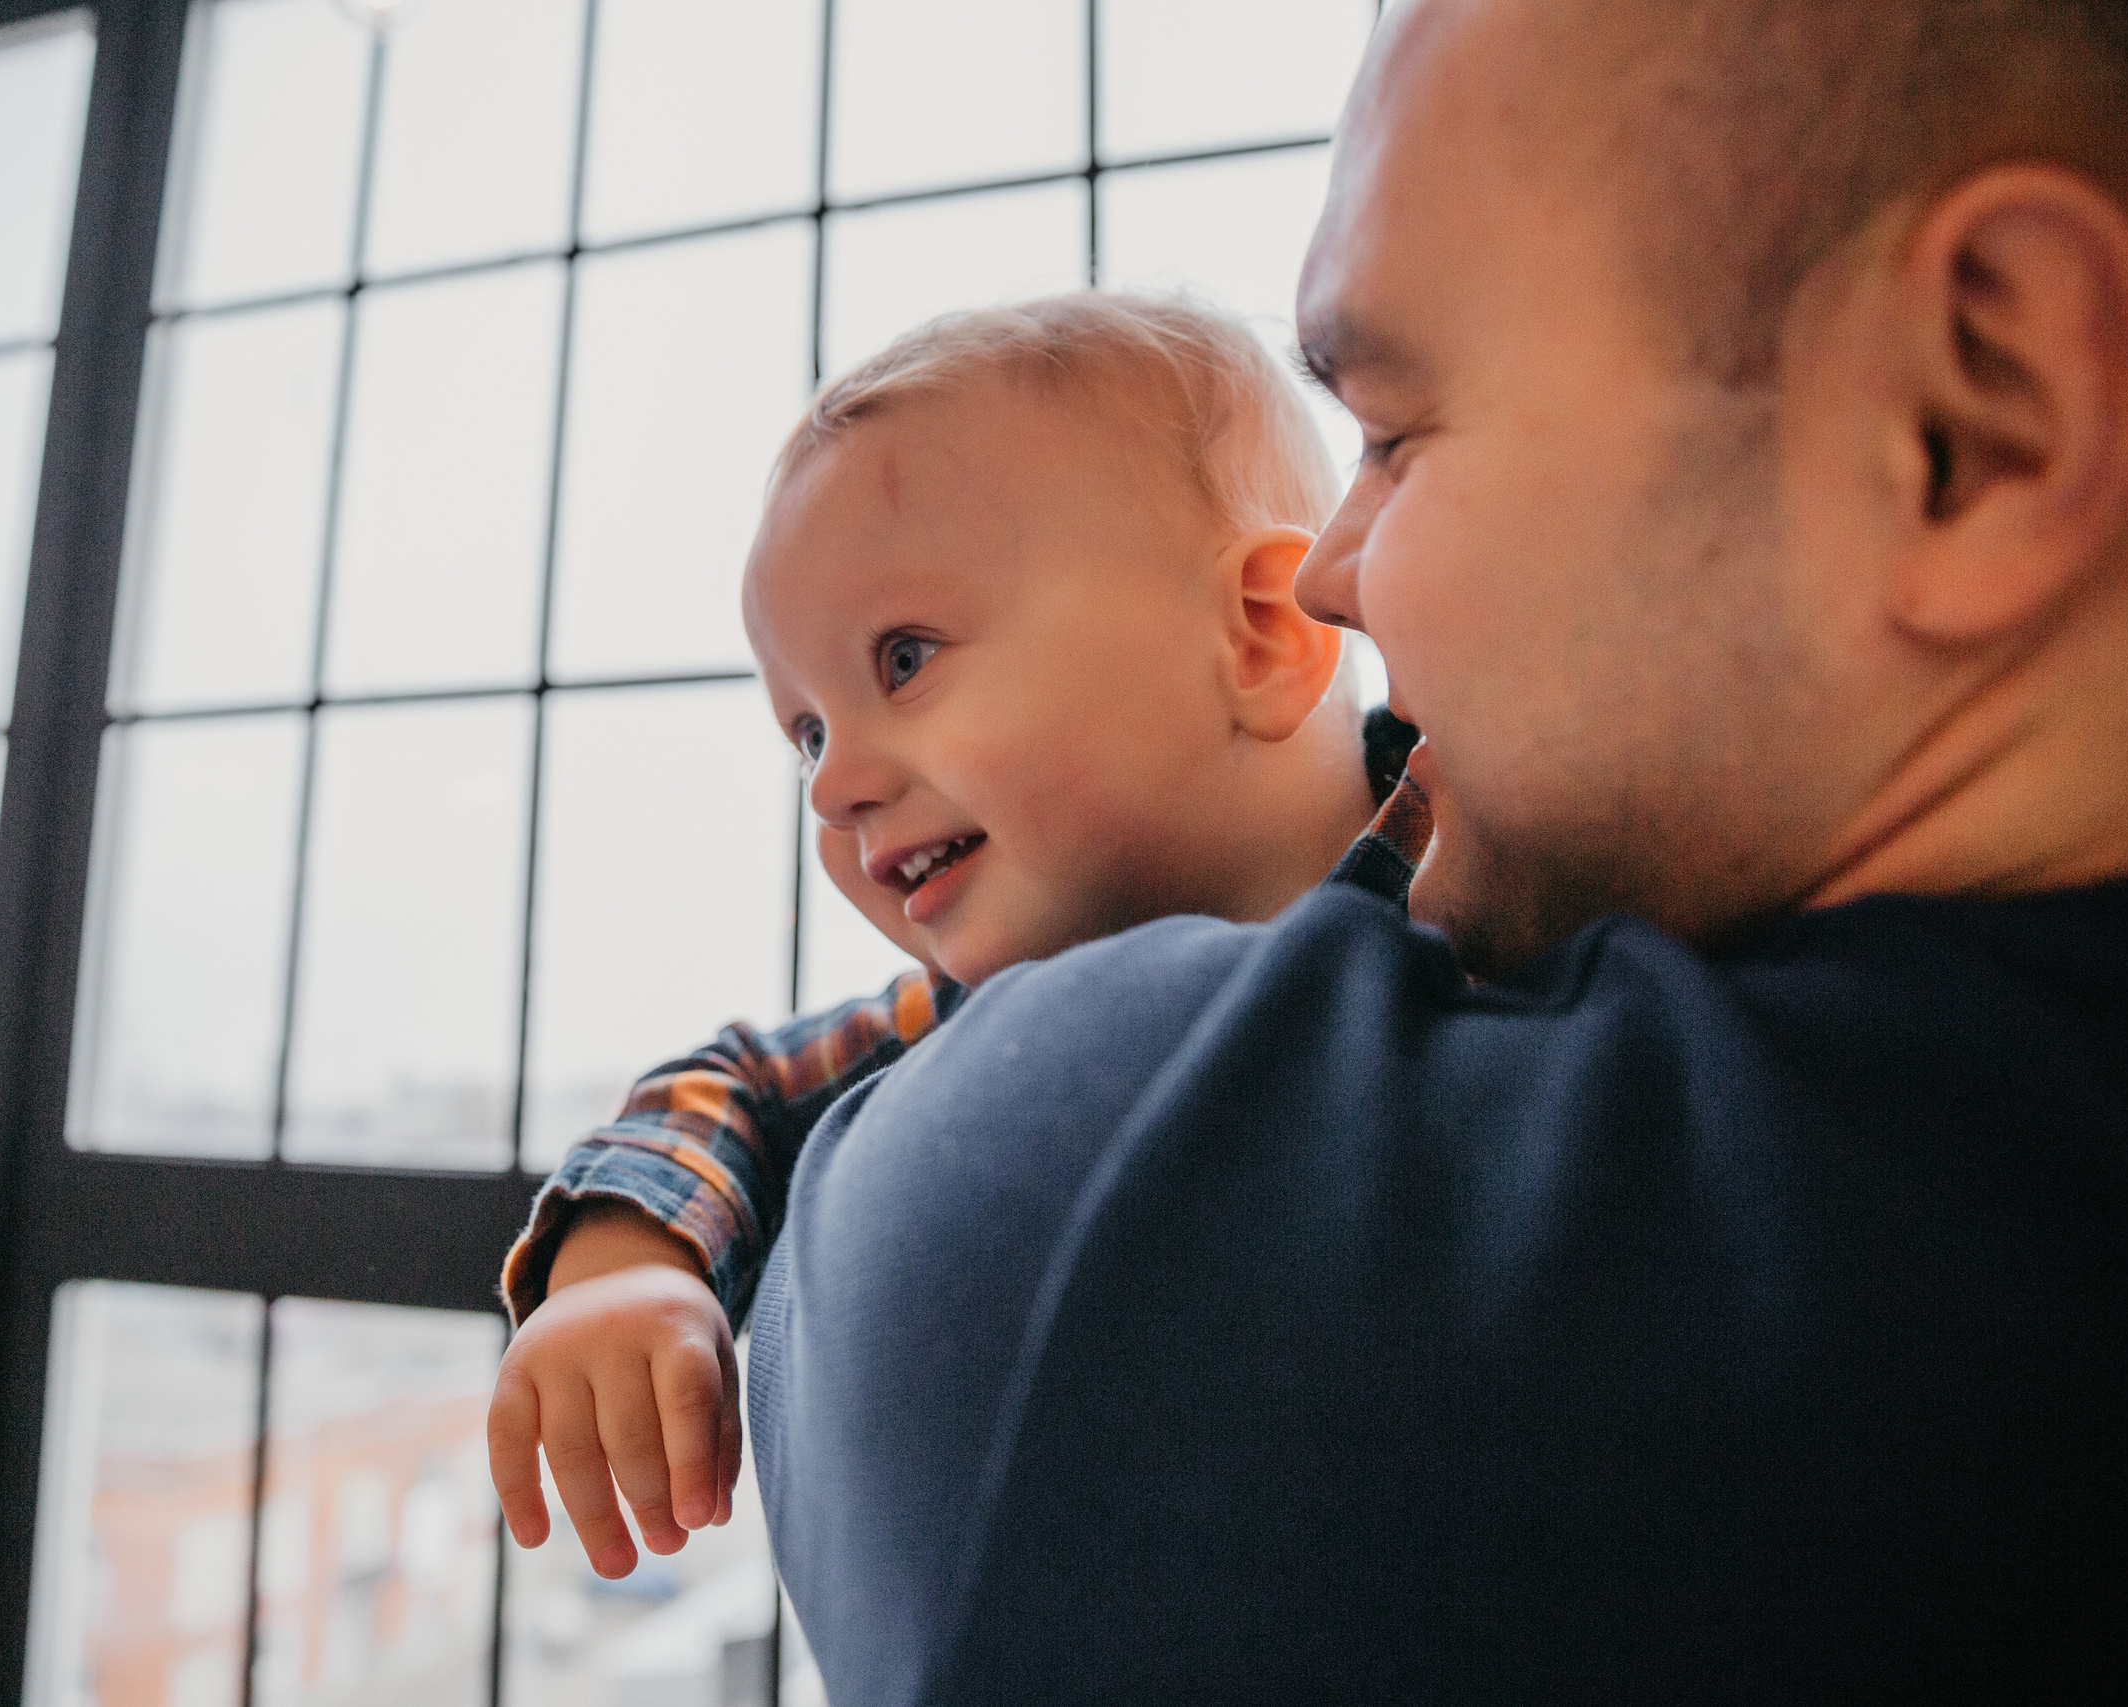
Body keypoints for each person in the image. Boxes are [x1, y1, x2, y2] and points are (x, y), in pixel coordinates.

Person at [742, 0, 2128, 1700]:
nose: (1329, 573)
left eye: (1393, 432)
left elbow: (935, 1202)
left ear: (1978, 415)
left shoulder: (1091, 1250)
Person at [486, 295, 1427, 1582]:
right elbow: (740, 1088)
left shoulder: (1493, 879)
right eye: (806, 730)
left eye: (905, 657)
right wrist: (620, 1263)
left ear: (1259, 633)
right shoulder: (972, 1008)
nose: (831, 786)